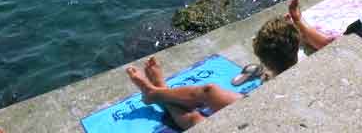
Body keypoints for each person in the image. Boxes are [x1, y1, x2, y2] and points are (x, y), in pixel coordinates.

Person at [126, 16, 300, 130]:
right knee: (210, 91)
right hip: (270, 109)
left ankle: (157, 91)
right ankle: (158, 92)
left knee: (196, 121)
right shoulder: (298, 64)